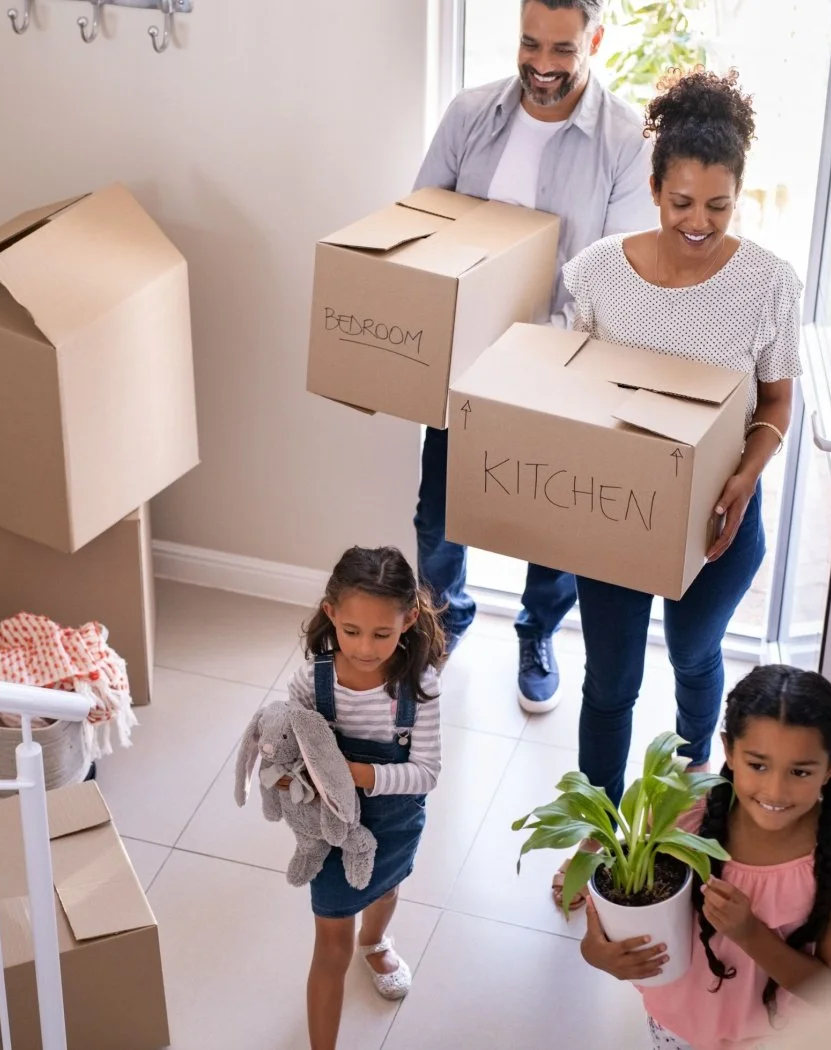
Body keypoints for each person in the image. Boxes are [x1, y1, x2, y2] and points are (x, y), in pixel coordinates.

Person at [561, 68, 803, 804]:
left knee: (696, 654)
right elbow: (570, 388)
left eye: (719, 206)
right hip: (616, 512)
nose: (698, 222)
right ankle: (595, 830)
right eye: (681, 203)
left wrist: (746, 476)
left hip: (720, 516)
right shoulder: (599, 272)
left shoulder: (769, 284)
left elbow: (777, 402)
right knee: (610, 682)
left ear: (739, 196)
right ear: (654, 185)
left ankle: (696, 775)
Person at [412, 0, 657, 714]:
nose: (542, 64)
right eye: (529, 44)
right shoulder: (470, 115)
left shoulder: (626, 140)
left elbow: (614, 275)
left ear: (597, 40)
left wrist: (533, 346)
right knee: (439, 512)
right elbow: (422, 219)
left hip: (561, 366)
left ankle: (537, 631)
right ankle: (443, 619)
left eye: (562, 48)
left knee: (549, 524)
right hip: (463, 362)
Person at [578, 665, 831, 1049]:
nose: (775, 790)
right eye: (758, 765)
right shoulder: (679, 818)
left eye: (800, 772)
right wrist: (597, 953)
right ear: (728, 749)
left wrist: (751, 934)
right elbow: (614, 918)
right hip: (677, 1028)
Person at [287, 546, 447, 1050]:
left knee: (386, 888)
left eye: (382, 633)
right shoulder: (310, 682)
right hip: (332, 828)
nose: (364, 647)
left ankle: (376, 941)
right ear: (330, 613)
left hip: (394, 821)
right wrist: (296, 778)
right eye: (351, 631)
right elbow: (288, 750)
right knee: (330, 946)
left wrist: (353, 773)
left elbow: (426, 774)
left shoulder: (418, 686)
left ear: (409, 620)